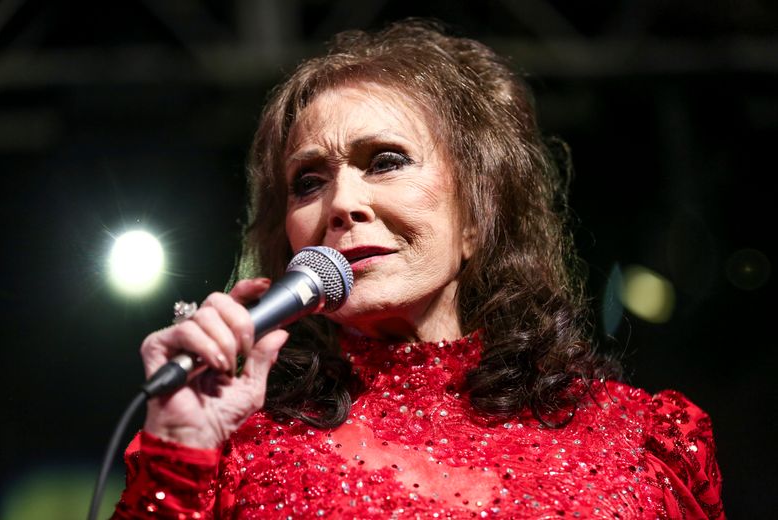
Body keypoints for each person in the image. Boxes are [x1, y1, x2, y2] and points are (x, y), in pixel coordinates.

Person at [113, 20, 724, 519]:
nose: (342, 204)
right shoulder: (231, 450)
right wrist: (180, 454)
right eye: (308, 182)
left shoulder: (639, 443)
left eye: (384, 161)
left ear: (477, 215)